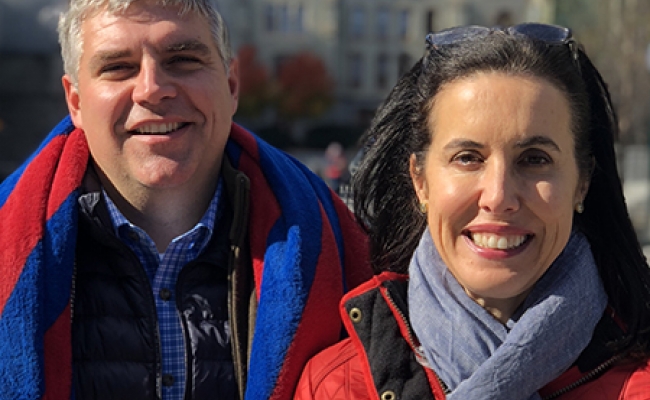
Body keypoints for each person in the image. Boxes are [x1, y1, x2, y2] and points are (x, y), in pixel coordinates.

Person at [0, 1, 372, 399]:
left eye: (183, 60)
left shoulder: (348, 254)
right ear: (75, 102)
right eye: (118, 67)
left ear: (231, 86)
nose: (152, 89)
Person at [294, 23, 650, 399]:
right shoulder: (334, 386)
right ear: (420, 181)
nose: (498, 196)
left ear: (583, 182)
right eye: (467, 158)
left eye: (534, 159)